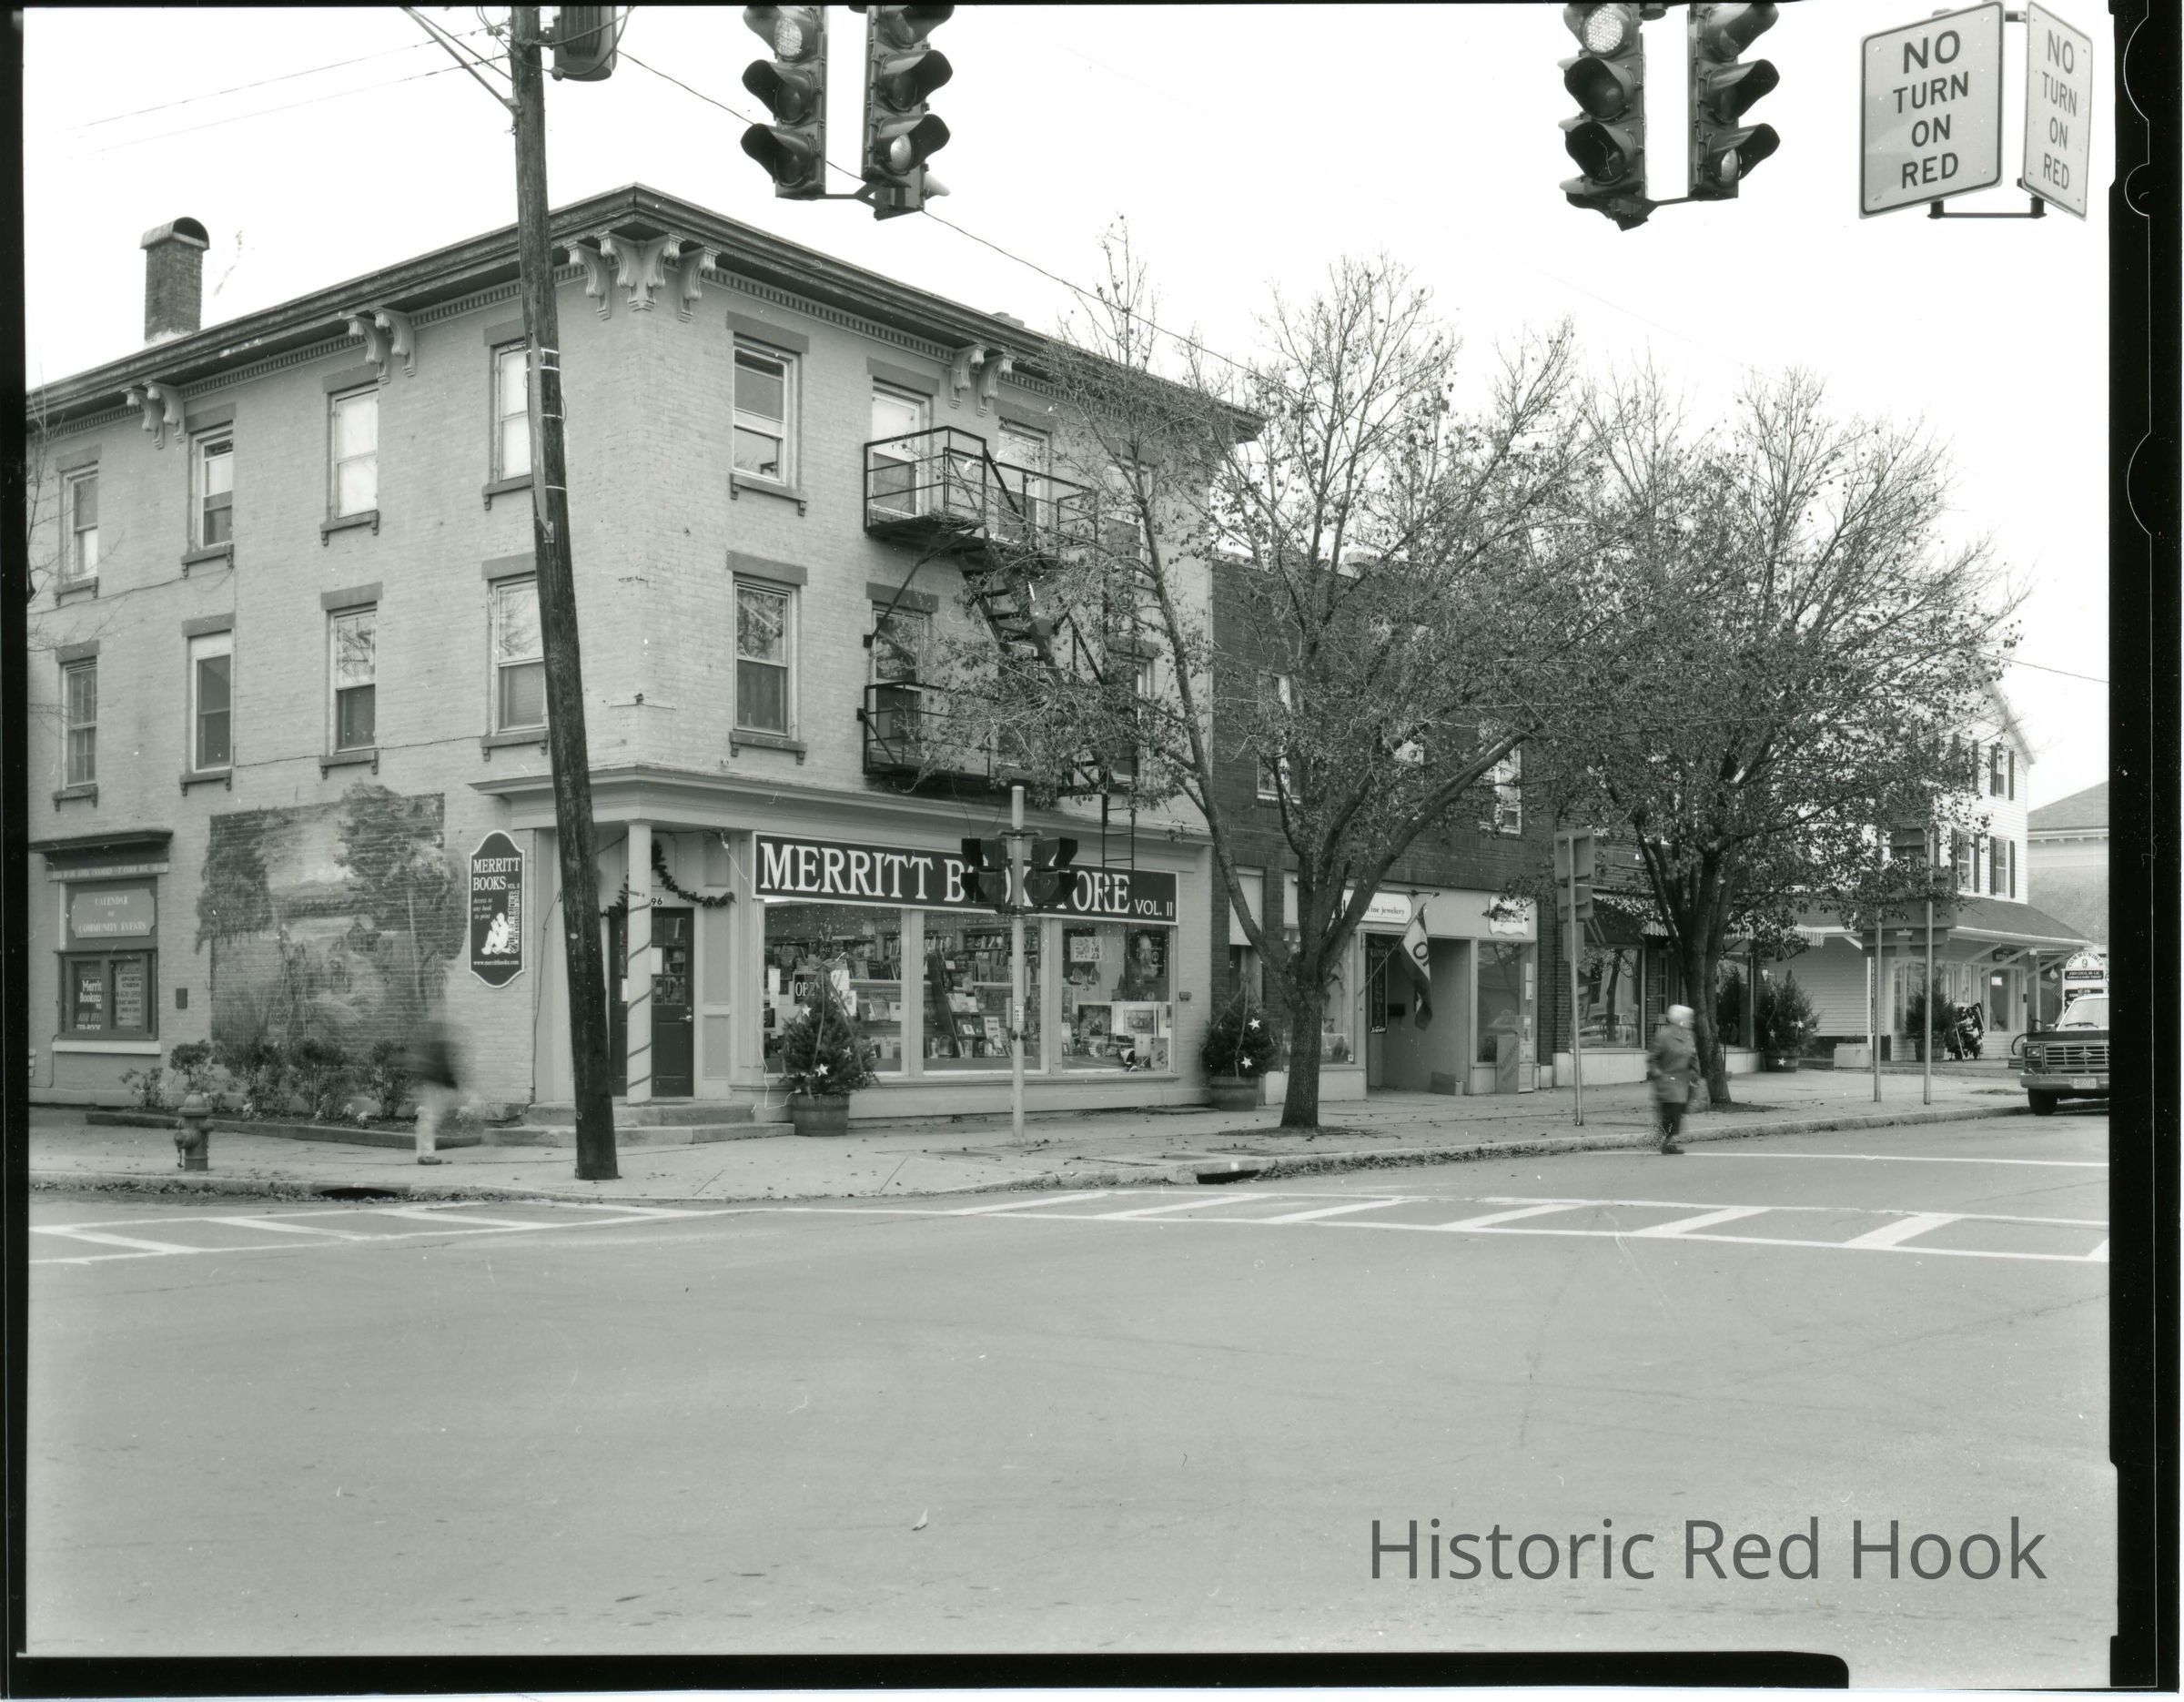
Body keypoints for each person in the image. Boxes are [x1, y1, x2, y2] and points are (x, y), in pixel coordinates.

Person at [408, 1017, 460, 1166]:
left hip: (432, 1084)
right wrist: (451, 1083)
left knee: (427, 1118)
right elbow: (440, 1067)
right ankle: (426, 1154)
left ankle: (424, 1154)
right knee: (429, 1118)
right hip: (435, 1085)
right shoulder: (437, 1046)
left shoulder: (431, 1045)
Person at [1646, 1003, 1698, 1155]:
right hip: (1667, 1080)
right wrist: (1656, 1072)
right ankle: (1665, 1142)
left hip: (1683, 1081)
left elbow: (1693, 1056)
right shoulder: (1664, 1036)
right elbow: (1653, 1057)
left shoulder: (1689, 1036)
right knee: (1671, 1112)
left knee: (1677, 1112)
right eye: (1688, 1018)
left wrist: (1695, 1071)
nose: (1691, 1021)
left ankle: (1666, 1141)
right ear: (1679, 1019)